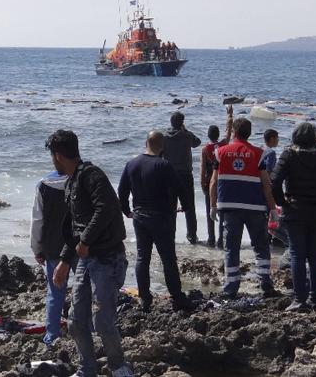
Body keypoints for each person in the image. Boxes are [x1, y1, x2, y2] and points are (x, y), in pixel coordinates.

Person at [48, 130, 133, 377]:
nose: (52, 161)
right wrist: (64, 261)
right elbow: (74, 229)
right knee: (75, 320)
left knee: (103, 321)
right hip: (86, 260)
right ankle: (87, 369)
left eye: (53, 156)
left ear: (58, 155)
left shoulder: (92, 175)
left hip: (108, 257)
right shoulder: (72, 182)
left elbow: (107, 207)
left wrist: (86, 240)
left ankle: (119, 367)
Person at [118, 131, 193, 312]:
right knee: (168, 258)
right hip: (161, 216)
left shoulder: (132, 164)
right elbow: (181, 189)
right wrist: (186, 206)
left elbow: (122, 191)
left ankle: (145, 298)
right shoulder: (164, 165)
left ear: (146, 143)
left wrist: (127, 211)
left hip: (140, 217)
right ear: (162, 146)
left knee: (142, 258)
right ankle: (177, 297)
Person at [209, 117, 280, 299]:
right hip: (255, 207)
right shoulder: (259, 153)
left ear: (233, 132)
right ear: (249, 133)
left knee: (231, 247)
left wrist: (212, 205)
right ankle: (265, 283)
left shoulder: (220, 152)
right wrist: (273, 209)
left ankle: (231, 287)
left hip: (229, 207)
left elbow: (214, 181)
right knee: (260, 245)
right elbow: (266, 184)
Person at [270, 123, 316, 311]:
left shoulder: (289, 154)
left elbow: (274, 181)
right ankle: (315, 299)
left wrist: (283, 202)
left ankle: (299, 299)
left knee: (297, 255)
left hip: (296, 210)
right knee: (315, 257)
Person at [30, 170, 69, 346]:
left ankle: (52, 335)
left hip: (53, 246)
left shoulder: (43, 185)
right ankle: (89, 330)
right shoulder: (79, 182)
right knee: (85, 291)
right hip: (79, 244)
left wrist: (37, 248)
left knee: (55, 292)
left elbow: (37, 220)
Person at [162, 111, 202, 244]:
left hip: (168, 176)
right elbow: (197, 142)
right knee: (189, 207)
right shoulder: (187, 136)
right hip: (185, 175)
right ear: (182, 123)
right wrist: (186, 130)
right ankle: (192, 236)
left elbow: (159, 154)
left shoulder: (164, 137)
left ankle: (170, 235)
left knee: (170, 207)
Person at [199, 107, 233, 248]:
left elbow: (202, 169)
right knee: (221, 211)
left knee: (210, 211)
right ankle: (220, 239)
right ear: (218, 135)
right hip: (222, 182)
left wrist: (202, 184)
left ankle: (211, 238)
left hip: (209, 183)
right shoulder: (223, 145)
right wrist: (229, 115)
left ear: (208, 136)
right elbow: (229, 131)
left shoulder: (205, 149)